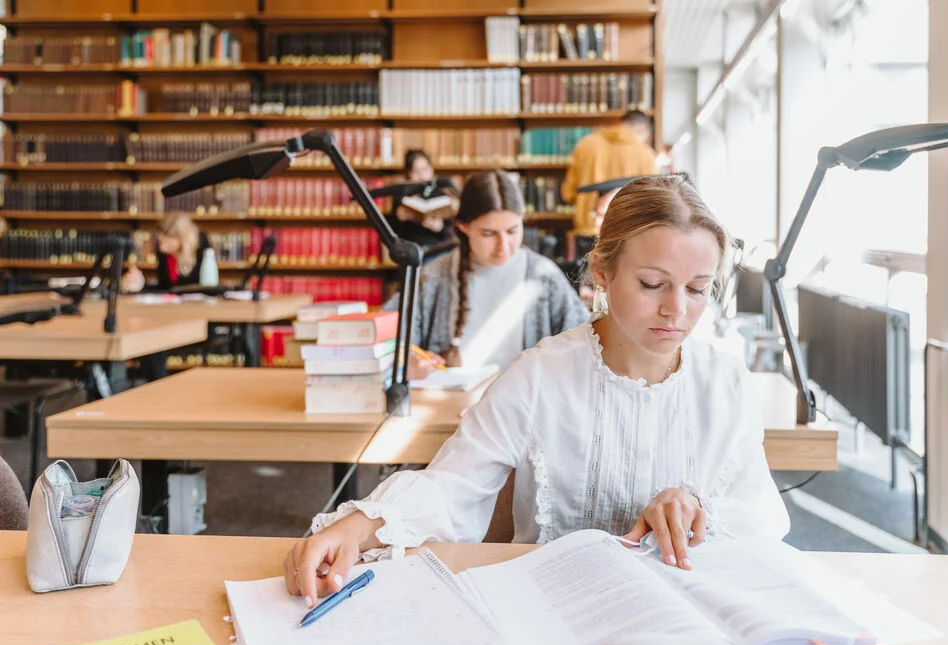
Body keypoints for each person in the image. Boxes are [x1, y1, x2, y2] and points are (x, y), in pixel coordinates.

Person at [283, 176, 790, 608]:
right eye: (653, 284)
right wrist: (358, 526)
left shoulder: (726, 385)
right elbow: (454, 483)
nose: (677, 309)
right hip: (550, 615)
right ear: (602, 273)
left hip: (681, 614)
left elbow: (760, 520)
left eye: (698, 288)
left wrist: (698, 506)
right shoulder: (539, 375)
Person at [387, 169, 589, 378]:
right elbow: (388, 338)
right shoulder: (433, 276)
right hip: (454, 403)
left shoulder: (543, 275)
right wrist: (409, 362)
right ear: (463, 227)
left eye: (512, 231)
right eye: (488, 234)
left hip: (527, 402)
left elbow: (585, 342)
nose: (503, 247)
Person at [561, 110, 657, 233]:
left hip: (588, 227)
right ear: (640, 129)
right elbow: (650, 201)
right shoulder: (646, 154)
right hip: (626, 230)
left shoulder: (586, 144)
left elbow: (568, 193)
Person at [122, 212, 209, 292]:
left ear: (182, 239)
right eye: (161, 243)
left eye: (167, 244)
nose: (162, 248)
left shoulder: (202, 248)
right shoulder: (164, 254)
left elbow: (206, 286)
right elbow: (163, 288)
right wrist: (141, 284)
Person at [387, 149, 455, 249]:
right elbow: (391, 234)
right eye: (416, 171)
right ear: (409, 173)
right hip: (411, 249)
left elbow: (453, 235)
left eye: (425, 169)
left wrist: (440, 228)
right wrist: (398, 218)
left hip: (438, 248)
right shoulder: (401, 197)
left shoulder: (443, 194)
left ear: (431, 168)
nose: (422, 175)